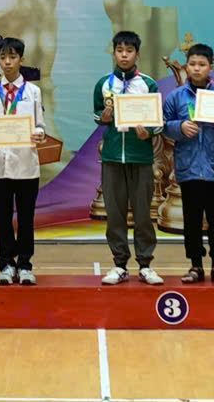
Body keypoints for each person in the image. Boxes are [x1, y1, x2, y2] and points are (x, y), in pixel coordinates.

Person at [162, 41, 214, 285]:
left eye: (202, 64)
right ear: (186, 66)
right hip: (188, 169)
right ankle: (195, 265)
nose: (196, 68)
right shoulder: (176, 97)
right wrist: (179, 127)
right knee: (192, 220)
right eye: (192, 64)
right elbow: (162, 127)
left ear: (211, 67)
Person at [93, 30, 163, 285]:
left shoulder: (148, 84)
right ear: (113, 53)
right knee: (115, 214)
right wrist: (105, 117)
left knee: (143, 214)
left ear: (137, 54)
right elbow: (97, 115)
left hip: (140, 158)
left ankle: (145, 265)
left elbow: (157, 122)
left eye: (129, 51)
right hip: (112, 158)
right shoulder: (103, 84)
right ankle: (119, 265)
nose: (124, 55)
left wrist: (148, 132)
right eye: (120, 50)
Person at [0, 37, 45, 285]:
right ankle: (6, 264)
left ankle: (25, 265)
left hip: (26, 164)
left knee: (26, 218)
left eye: (12, 57)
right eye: (3, 57)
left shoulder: (33, 92)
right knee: (3, 217)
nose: (7, 62)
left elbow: (40, 125)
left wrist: (38, 134)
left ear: (21, 59)